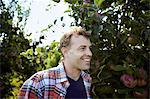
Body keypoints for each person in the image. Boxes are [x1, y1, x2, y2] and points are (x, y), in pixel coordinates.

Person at [18, 26, 93, 99]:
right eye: (82, 48)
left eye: (89, 48)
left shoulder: (89, 81)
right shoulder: (38, 83)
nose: (89, 53)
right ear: (65, 52)